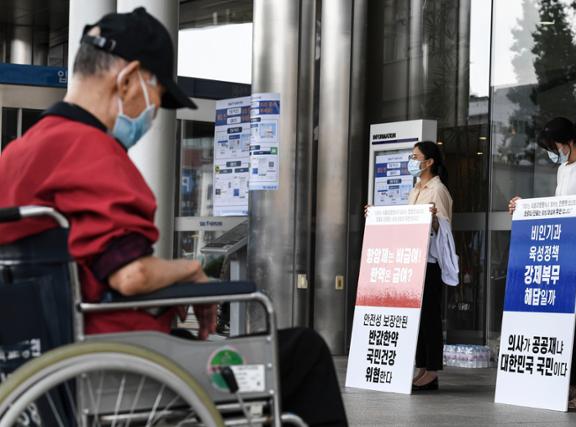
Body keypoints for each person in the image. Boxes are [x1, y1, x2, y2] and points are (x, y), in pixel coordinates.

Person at [0, 8, 347, 426]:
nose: (153, 114)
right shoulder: (92, 152)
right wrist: (192, 271)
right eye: (158, 97)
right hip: (121, 364)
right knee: (304, 352)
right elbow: (129, 276)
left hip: (44, 363)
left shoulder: (17, 154)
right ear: (128, 79)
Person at [508, 117, 576, 410]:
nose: (552, 151)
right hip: (568, 249)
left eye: (553, 145)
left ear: (567, 142)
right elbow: (558, 210)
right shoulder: (562, 168)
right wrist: (524, 208)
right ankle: (573, 381)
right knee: (572, 319)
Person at [407, 141, 456, 391]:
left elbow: (444, 231)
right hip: (415, 260)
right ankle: (422, 366)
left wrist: (434, 219)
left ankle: (432, 370)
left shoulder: (438, 191)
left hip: (431, 263)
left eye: (415, 156)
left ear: (429, 162)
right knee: (418, 315)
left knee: (430, 316)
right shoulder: (416, 188)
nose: (412, 160)